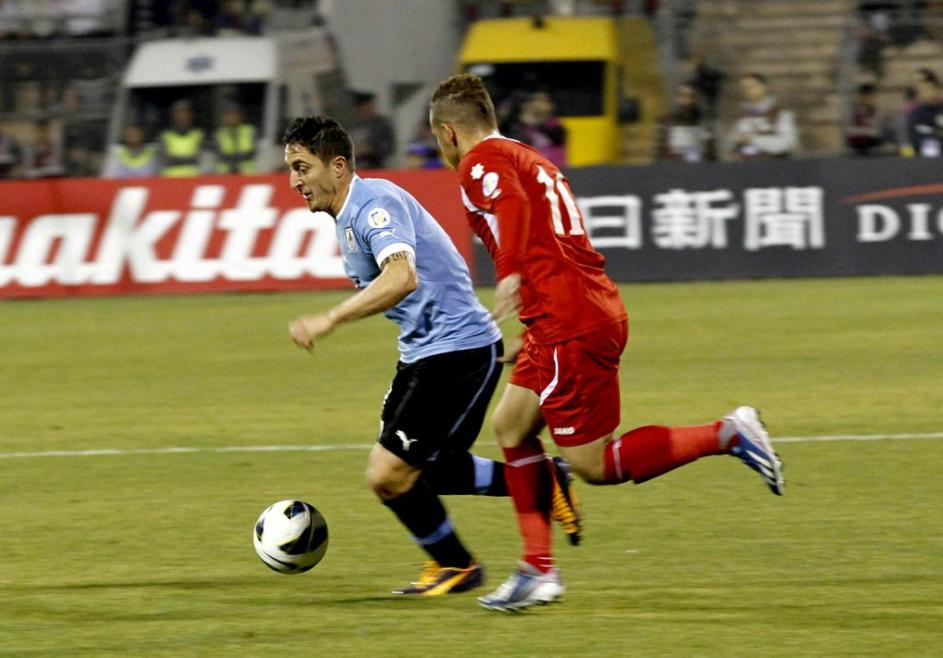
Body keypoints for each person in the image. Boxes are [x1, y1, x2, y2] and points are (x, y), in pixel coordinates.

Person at [429, 73, 785, 612]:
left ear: (449, 133)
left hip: (568, 320)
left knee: (592, 464)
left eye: (439, 139)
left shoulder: (481, 162)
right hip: (571, 312)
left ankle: (727, 434)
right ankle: (537, 569)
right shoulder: (528, 155)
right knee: (512, 425)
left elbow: (513, 208)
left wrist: (510, 274)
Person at [282, 115, 578, 596]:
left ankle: (458, 564)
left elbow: (402, 277)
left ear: (337, 166)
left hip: (459, 352)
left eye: (302, 168)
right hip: (426, 353)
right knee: (419, 469)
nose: (295, 181)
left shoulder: (373, 206)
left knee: (390, 474)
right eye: (291, 169)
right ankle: (541, 482)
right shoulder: (350, 212)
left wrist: (330, 319)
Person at [727, 72, 798, 159]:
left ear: (763, 87)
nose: (748, 90)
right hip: (747, 164)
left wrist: (751, 139)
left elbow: (786, 144)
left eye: (752, 86)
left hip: (777, 164)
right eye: (744, 88)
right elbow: (731, 145)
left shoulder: (781, 114)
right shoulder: (741, 117)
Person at [654, 83, 716, 162]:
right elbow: (658, 151)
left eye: (691, 96)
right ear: (677, 98)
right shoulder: (666, 121)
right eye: (683, 96)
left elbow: (711, 151)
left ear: (696, 98)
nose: (687, 100)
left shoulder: (704, 122)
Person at [348, 91, 395, 169]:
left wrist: (369, 149)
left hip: (375, 166)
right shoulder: (352, 124)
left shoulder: (382, 125)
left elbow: (388, 147)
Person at [160, 99, 205, 177]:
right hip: (170, 177)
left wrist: (176, 159)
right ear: (173, 115)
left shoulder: (199, 134)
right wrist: (190, 158)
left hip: (194, 177)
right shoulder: (165, 136)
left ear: (191, 115)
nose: (182, 116)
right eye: (179, 113)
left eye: (185, 113)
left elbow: (200, 158)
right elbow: (166, 160)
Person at [845, 83, 892, 156]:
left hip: (870, 136)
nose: (868, 99)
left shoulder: (874, 110)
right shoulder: (855, 110)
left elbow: (878, 124)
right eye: (865, 96)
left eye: (870, 96)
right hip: (859, 137)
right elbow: (849, 124)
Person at [906, 67, 943, 157]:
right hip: (927, 158)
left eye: (922, 82)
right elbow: (915, 138)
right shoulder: (916, 112)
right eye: (915, 83)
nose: (918, 87)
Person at [213, 103, 257, 174]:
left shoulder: (250, 131)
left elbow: (253, 152)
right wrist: (238, 156)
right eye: (229, 115)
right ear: (225, 117)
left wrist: (233, 156)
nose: (232, 117)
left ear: (241, 116)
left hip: (246, 172)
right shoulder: (219, 133)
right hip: (225, 173)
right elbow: (219, 154)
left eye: (235, 114)